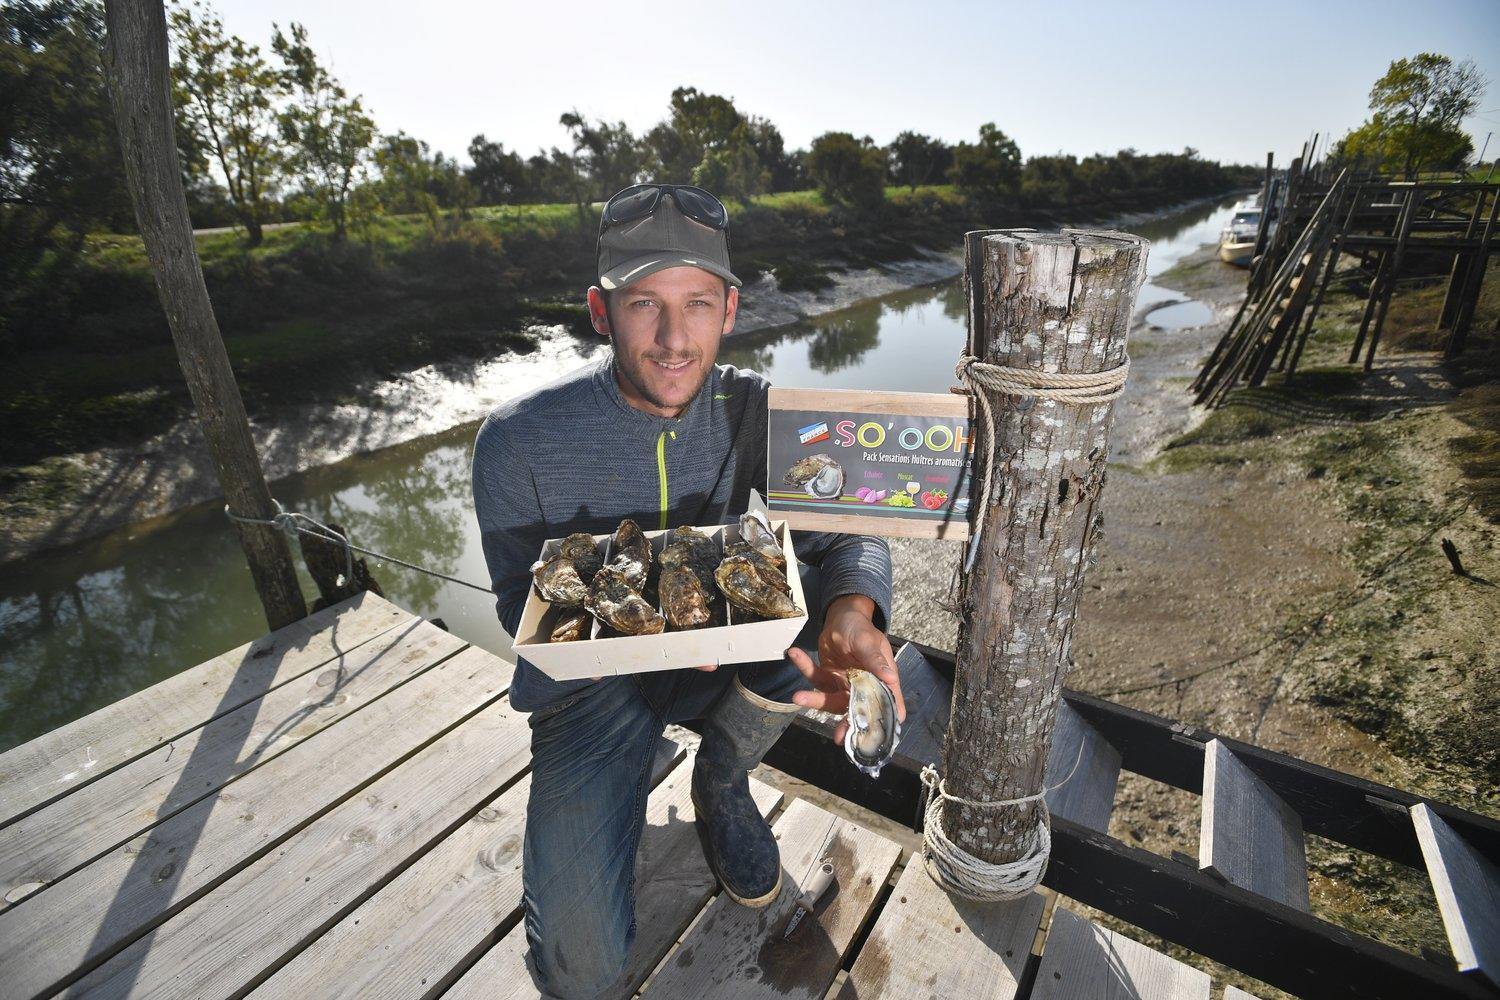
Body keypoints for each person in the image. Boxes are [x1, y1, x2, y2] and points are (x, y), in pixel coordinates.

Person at [472, 182, 904, 998]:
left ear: (731, 310)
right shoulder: (516, 442)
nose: (674, 339)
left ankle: (723, 776)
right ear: (601, 314)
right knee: (582, 972)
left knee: (816, 604)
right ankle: (620, 784)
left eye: (697, 304)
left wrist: (855, 612)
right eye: (644, 305)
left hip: (726, 665)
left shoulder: (763, 411)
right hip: (588, 692)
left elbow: (854, 527)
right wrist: (654, 641)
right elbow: (514, 606)